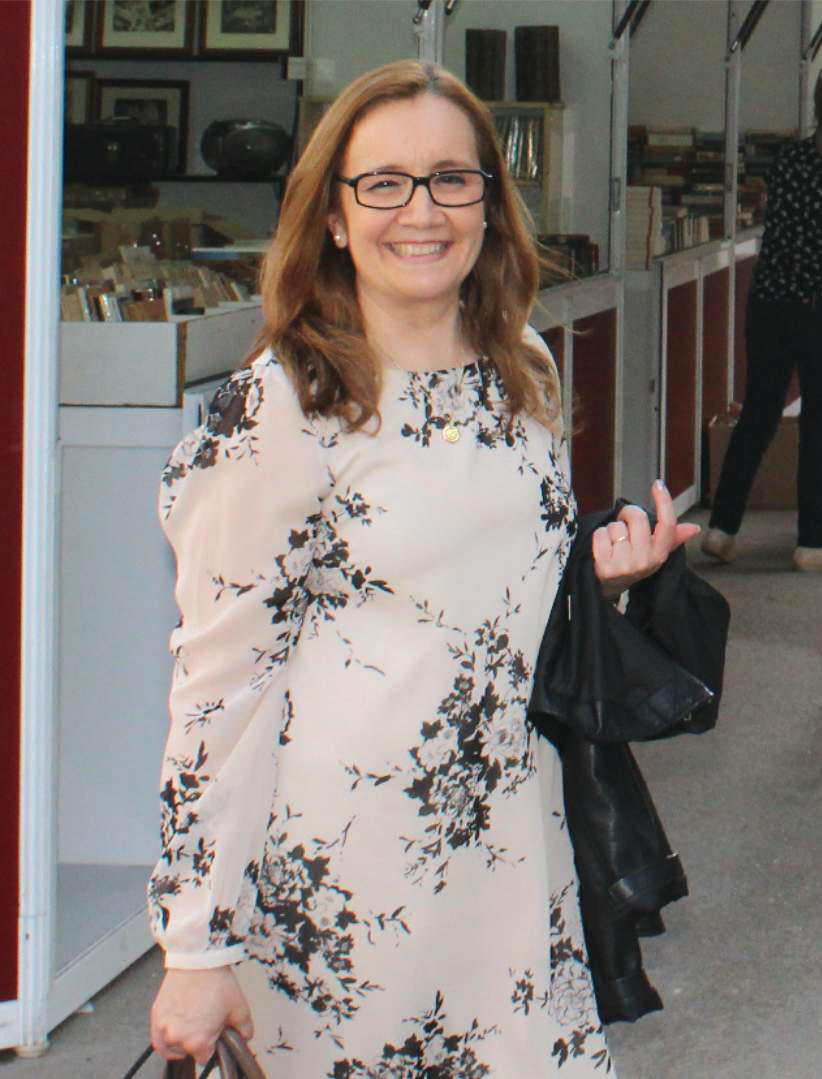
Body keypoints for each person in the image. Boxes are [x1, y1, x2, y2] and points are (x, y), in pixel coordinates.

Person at [148, 59, 698, 1076]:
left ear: (489, 202)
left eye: (451, 178)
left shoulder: (520, 368)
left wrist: (597, 579)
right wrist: (195, 944)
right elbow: (219, 687)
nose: (422, 210)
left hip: (510, 854)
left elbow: (486, 587)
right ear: (333, 216)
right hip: (343, 889)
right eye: (384, 183)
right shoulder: (284, 407)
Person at [703, 66, 822, 570]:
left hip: (769, 304)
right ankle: (813, 541)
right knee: (820, 424)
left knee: (758, 416)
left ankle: (722, 528)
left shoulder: (788, 159)